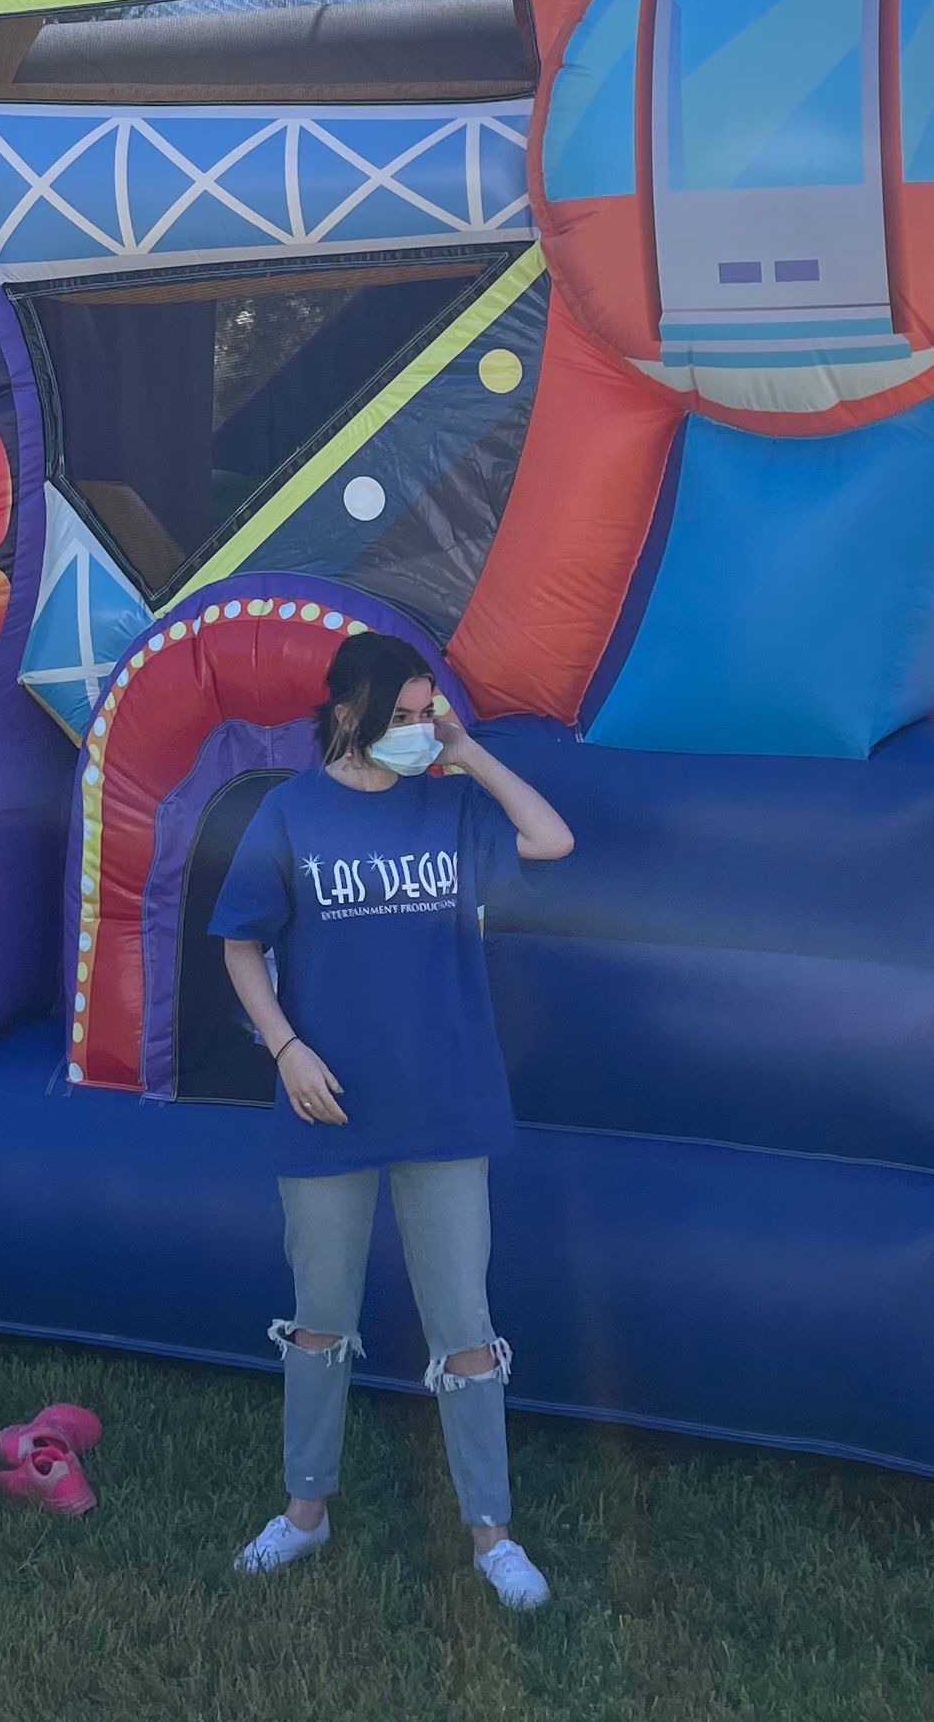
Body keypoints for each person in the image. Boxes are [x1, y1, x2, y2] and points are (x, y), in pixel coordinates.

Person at [212, 627, 575, 1610]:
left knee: (465, 1324)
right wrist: (287, 1049)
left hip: (448, 1101)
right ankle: (305, 1513)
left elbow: (550, 839)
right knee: (320, 1322)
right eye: (404, 717)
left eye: (427, 714)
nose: (419, 731)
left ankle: (492, 1535)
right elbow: (240, 945)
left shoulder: (451, 804)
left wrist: (469, 749)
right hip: (328, 1104)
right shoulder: (291, 814)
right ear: (345, 714)